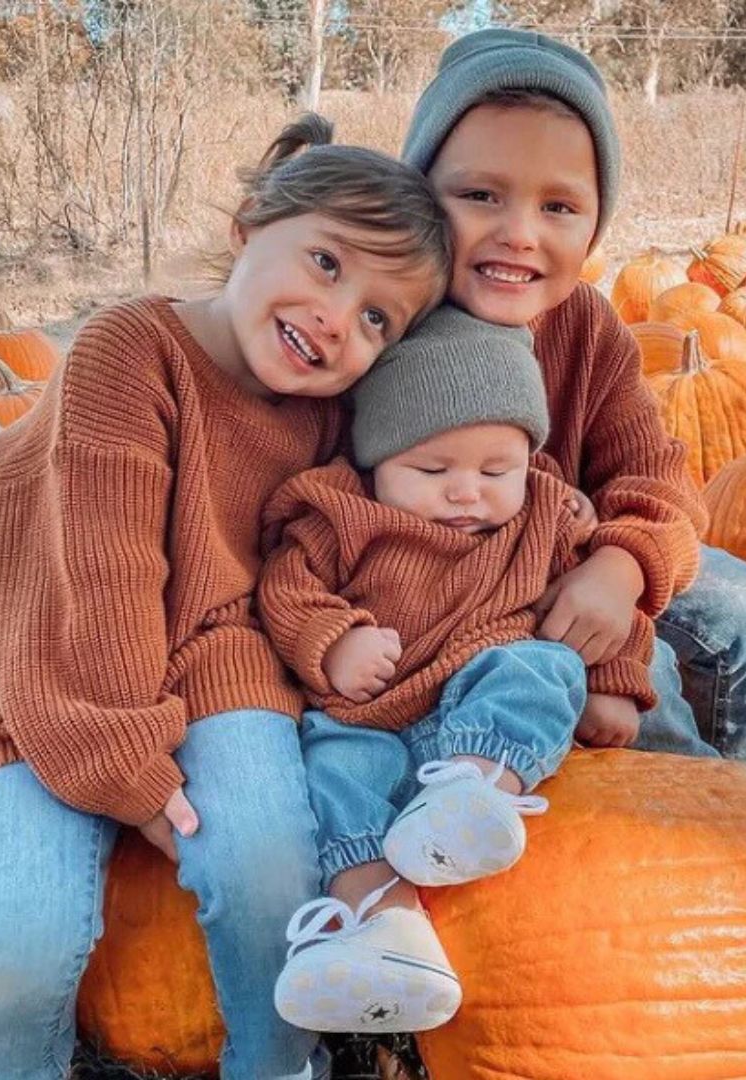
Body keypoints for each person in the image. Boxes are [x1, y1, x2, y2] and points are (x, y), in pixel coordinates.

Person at [0, 114, 451, 1080]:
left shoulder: (332, 409)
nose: (340, 319)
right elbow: (98, 578)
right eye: (329, 264)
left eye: (381, 317)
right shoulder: (129, 350)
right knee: (13, 949)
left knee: (265, 870)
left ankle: (279, 1061)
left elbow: (327, 551)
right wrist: (133, 777)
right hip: (50, 662)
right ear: (250, 226)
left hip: (223, 654)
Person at [260, 305, 652, 1034]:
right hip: (368, 719)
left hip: (478, 710)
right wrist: (333, 641)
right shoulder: (341, 514)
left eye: (494, 469)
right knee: (328, 769)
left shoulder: (546, 512)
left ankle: (475, 794)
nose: (466, 491)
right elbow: (286, 589)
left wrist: (617, 680)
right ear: (377, 459)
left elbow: (605, 611)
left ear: (527, 460)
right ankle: (382, 924)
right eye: (431, 469)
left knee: (539, 664)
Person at [400, 27, 746, 763]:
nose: (519, 233)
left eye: (559, 208)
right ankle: (670, 789)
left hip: (582, 547)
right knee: (651, 682)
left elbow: (660, 480)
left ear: (594, 225)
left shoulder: (586, 326)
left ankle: (735, 788)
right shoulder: (386, 321)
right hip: (451, 582)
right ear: (420, 196)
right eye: (480, 195)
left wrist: (622, 568)